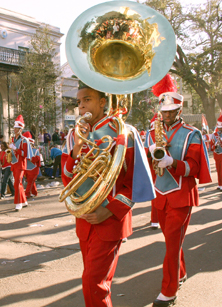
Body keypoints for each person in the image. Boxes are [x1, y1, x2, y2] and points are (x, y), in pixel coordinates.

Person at [61, 84, 154, 307]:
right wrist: (77, 149)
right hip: (84, 218)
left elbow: (135, 182)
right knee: (98, 283)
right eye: (79, 102)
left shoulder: (125, 132)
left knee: (93, 282)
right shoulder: (75, 136)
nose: (82, 106)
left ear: (103, 102)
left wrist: (109, 210)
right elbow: (67, 179)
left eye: (88, 100)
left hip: (109, 219)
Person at [147, 75, 212, 306]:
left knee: (172, 243)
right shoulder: (151, 131)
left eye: (170, 111)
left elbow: (194, 168)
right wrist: (150, 153)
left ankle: (169, 291)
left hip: (181, 195)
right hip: (160, 195)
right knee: (171, 241)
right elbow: (146, 165)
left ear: (179, 109)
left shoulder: (192, 133)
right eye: (163, 111)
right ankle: (181, 272)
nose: (165, 115)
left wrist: (172, 162)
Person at [9, 115, 33, 211]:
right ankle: (24, 201)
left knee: (17, 183)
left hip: (20, 164)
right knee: (18, 183)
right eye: (14, 128)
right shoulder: (13, 139)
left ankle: (19, 202)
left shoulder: (24, 140)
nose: (15, 130)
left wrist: (15, 149)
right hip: (14, 164)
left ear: (21, 129)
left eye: (17, 128)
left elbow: (25, 154)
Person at [23, 132, 41, 198]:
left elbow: (36, 159)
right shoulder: (25, 150)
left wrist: (29, 158)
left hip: (34, 169)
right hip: (27, 168)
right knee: (30, 181)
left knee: (30, 182)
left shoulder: (36, 150)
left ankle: (27, 193)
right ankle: (34, 192)